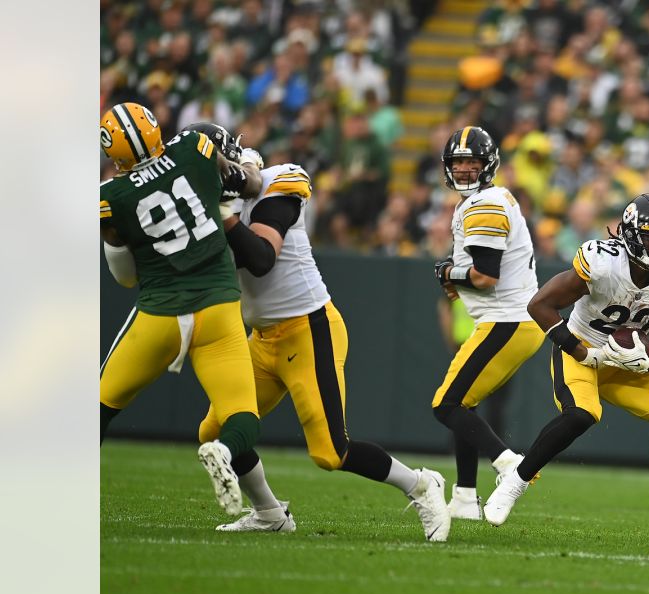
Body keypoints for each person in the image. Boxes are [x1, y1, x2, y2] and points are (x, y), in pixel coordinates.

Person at [190, 127, 450, 540]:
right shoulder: (206, 206)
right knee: (215, 431)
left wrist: (225, 210)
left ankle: (421, 484)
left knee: (330, 451)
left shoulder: (279, 181)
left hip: (309, 330)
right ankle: (269, 513)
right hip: (262, 338)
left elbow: (260, 259)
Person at [484, 194, 649, 525]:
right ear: (630, 235)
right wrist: (580, 351)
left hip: (629, 363)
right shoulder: (602, 263)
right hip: (582, 348)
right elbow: (540, 305)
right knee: (582, 415)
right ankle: (516, 481)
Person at [99, 102, 260, 517]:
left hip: (161, 315)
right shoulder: (195, 146)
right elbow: (251, 184)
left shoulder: (108, 199)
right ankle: (223, 450)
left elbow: (125, 278)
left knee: (99, 407)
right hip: (219, 308)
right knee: (243, 415)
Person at [430, 126, 544, 520]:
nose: (463, 170)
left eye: (471, 162)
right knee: (465, 403)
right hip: (510, 319)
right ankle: (464, 497)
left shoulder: (485, 204)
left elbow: (485, 276)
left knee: (445, 405)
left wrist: (449, 273)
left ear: (487, 164)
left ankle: (509, 464)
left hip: (507, 320)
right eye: (457, 163)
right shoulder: (487, 200)